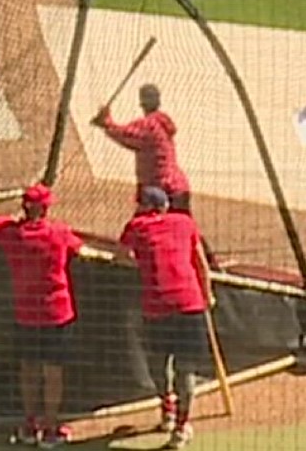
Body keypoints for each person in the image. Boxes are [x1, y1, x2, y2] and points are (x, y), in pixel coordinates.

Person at [0, 183, 86, 448]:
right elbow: (77, 247)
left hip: (26, 316)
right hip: (57, 314)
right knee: (53, 373)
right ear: (45, 208)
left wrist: (12, 220)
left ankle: (30, 424)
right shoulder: (59, 232)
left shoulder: (12, 234)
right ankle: (51, 428)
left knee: (29, 370)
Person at [118, 187, 214, 449]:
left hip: (158, 306)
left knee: (160, 365)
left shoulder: (135, 227)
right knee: (185, 368)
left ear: (144, 206)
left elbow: (122, 256)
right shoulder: (185, 222)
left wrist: (145, 261)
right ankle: (181, 425)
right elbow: (200, 263)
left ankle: (170, 410)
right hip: (189, 303)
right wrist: (208, 295)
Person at [93, 84, 191, 212]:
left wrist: (106, 123)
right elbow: (130, 140)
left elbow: (125, 135)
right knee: (180, 226)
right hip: (179, 186)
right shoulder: (162, 123)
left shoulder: (148, 125)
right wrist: (107, 124)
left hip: (160, 189)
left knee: (144, 227)